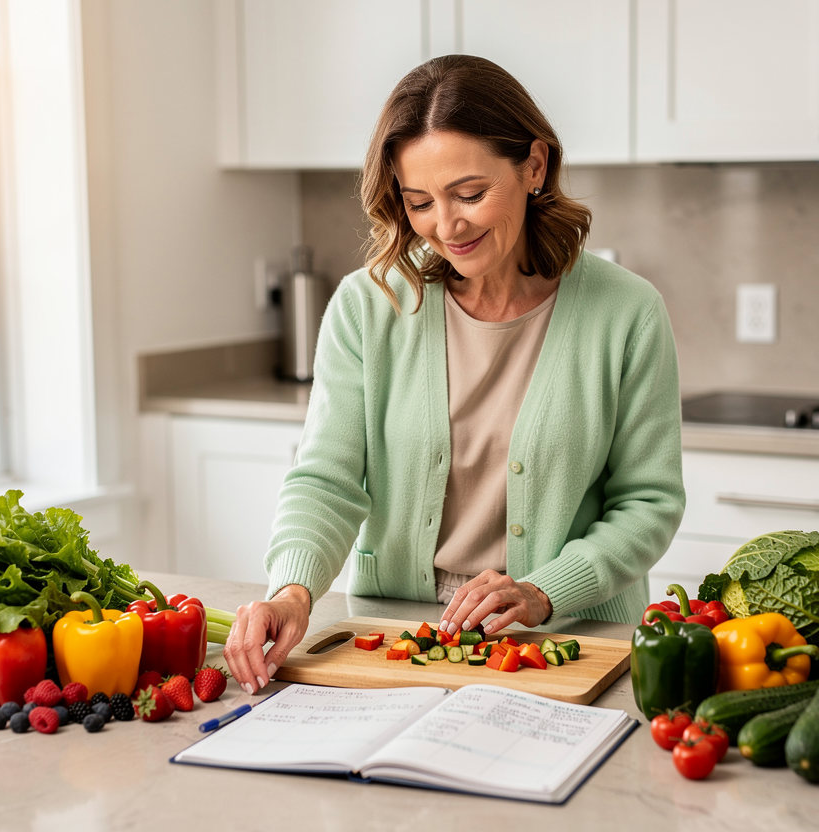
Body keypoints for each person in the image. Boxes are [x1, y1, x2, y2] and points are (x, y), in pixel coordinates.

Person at [224, 55, 684, 694]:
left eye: (470, 194)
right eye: (419, 202)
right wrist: (292, 591)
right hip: (399, 636)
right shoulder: (368, 306)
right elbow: (327, 477)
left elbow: (648, 503)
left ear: (533, 167)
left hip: (574, 644)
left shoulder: (628, 312)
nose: (448, 225)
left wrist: (541, 592)